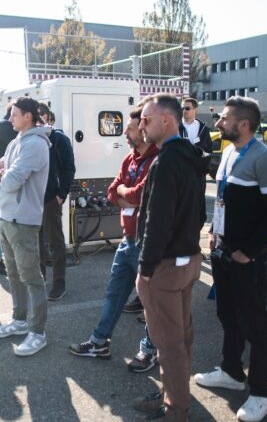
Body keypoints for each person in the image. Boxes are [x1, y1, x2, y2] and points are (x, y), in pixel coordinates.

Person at [194, 97, 267, 422]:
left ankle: (261, 393)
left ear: (244, 124)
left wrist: (248, 252)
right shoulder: (229, 152)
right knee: (228, 315)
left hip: (247, 258)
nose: (218, 123)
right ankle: (232, 372)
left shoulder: (266, 159)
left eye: (224, 118)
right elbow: (223, 200)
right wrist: (213, 232)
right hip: (223, 250)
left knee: (255, 325)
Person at [132, 94, 209, 421]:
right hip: (188, 260)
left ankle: (176, 409)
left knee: (169, 344)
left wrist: (146, 269)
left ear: (166, 120)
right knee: (182, 339)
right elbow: (199, 212)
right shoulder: (191, 156)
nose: (141, 125)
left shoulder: (166, 162)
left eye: (146, 119)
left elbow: (157, 222)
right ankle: (173, 396)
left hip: (165, 267)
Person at [68, 106, 158, 359]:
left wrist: (125, 194)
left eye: (130, 129)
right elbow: (112, 191)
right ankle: (99, 342)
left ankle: (150, 349)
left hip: (146, 242)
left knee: (151, 301)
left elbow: (138, 195)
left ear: (144, 129)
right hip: (127, 241)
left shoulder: (157, 160)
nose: (125, 134)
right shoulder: (130, 159)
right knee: (115, 293)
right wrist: (126, 195)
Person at [0, 97, 51, 356]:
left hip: (23, 221)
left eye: (14, 114)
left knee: (31, 277)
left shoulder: (35, 144)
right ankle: (20, 320)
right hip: (7, 218)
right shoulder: (16, 142)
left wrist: (1, 175)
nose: (10, 118)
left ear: (28, 116)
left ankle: (38, 332)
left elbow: (11, 181)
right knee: (13, 275)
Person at [37, 103, 76, 301]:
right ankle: (40, 280)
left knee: (55, 242)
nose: (36, 120)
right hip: (33, 199)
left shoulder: (59, 139)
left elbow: (69, 168)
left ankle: (59, 284)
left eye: (39, 116)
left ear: (47, 117)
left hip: (51, 198)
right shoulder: (30, 138)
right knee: (36, 242)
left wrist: (61, 194)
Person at [0, 102, 19, 275]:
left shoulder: (2, 126)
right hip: (2, 178)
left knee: (7, 217)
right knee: (4, 218)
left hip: (4, 177)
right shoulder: (5, 127)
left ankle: (3, 256)